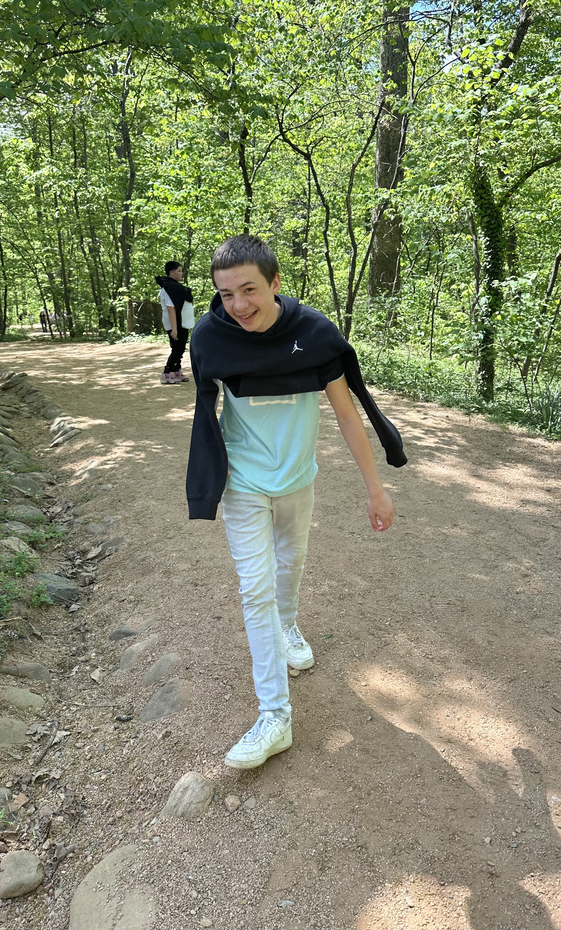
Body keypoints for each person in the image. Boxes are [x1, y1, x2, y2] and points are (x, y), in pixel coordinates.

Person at [187, 235, 407, 769]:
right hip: (243, 482)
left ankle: (289, 624)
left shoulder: (314, 335)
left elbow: (348, 415)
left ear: (275, 282)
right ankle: (275, 715)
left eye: (248, 290)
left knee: (292, 563)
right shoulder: (213, 337)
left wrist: (375, 488)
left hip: (297, 480)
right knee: (254, 589)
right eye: (225, 294)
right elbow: (204, 404)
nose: (237, 305)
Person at [155, 261, 195, 384]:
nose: (181, 273)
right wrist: (174, 328)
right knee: (177, 348)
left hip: (182, 322)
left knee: (180, 347)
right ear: (171, 272)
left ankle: (176, 370)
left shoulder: (175, 287)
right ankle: (167, 373)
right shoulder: (168, 288)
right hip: (175, 323)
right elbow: (171, 308)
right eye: (179, 270)